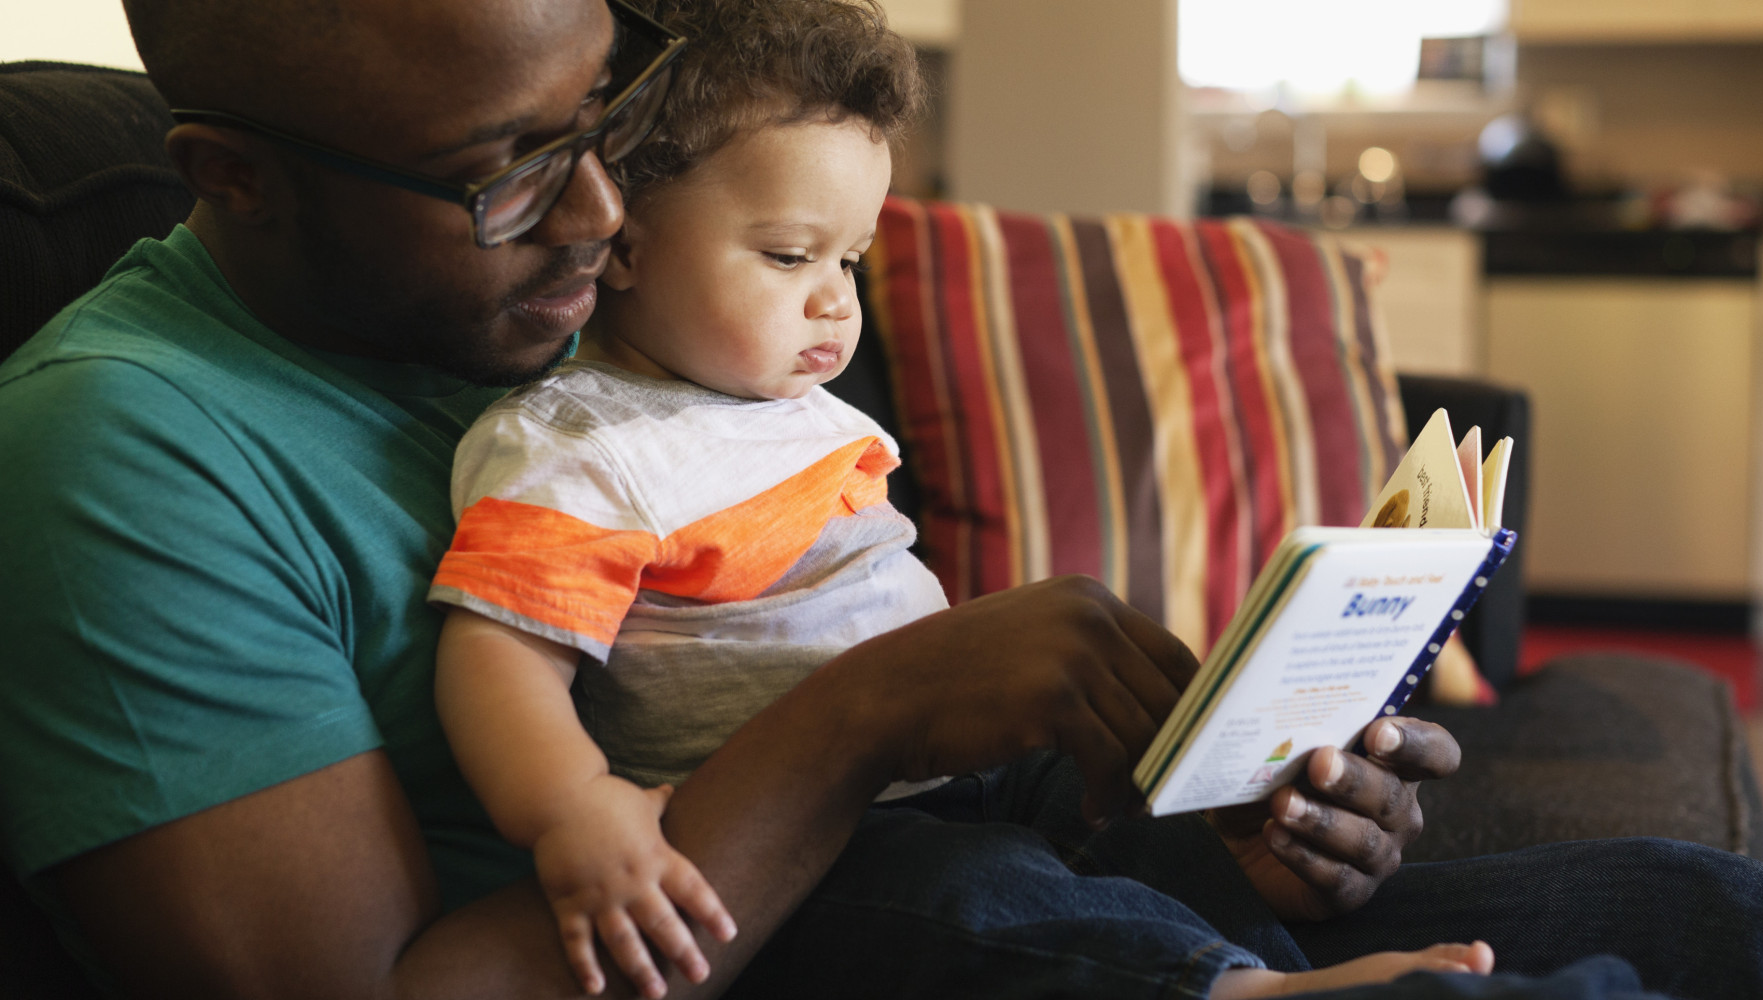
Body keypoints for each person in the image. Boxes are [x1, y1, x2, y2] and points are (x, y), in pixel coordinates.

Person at [0, 0, 1763, 996]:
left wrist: (1235, 809)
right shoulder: (130, 448)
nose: (600, 220)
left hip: (1028, 889)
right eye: (510, 169)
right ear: (232, 175)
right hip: (841, 944)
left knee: (1709, 910)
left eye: (600, 134)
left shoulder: (618, 323)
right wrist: (875, 714)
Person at [425, 2, 1493, 997]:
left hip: (954, 766)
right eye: (789, 254)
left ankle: (1263, 927)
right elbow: (500, 653)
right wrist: (573, 810)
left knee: (1128, 813)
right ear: (622, 237)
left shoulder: (798, 407)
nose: (835, 297)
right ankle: (1229, 985)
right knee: (967, 896)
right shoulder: (580, 443)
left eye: (850, 255)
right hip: (818, 837)